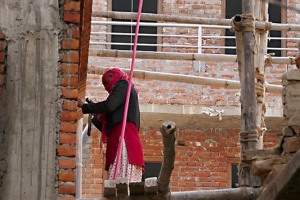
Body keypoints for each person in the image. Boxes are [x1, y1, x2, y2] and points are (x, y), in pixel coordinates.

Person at [78, 68, 144, 183]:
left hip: (125, 140)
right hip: (118, 141)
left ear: (115, 77)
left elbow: (109, 106)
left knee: (122, 184)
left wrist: (85, 107)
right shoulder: (121, 99)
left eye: (107, 82)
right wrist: (95, 113)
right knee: (116, 184)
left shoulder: (124, 85)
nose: (106, 87)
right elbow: (106, 123)